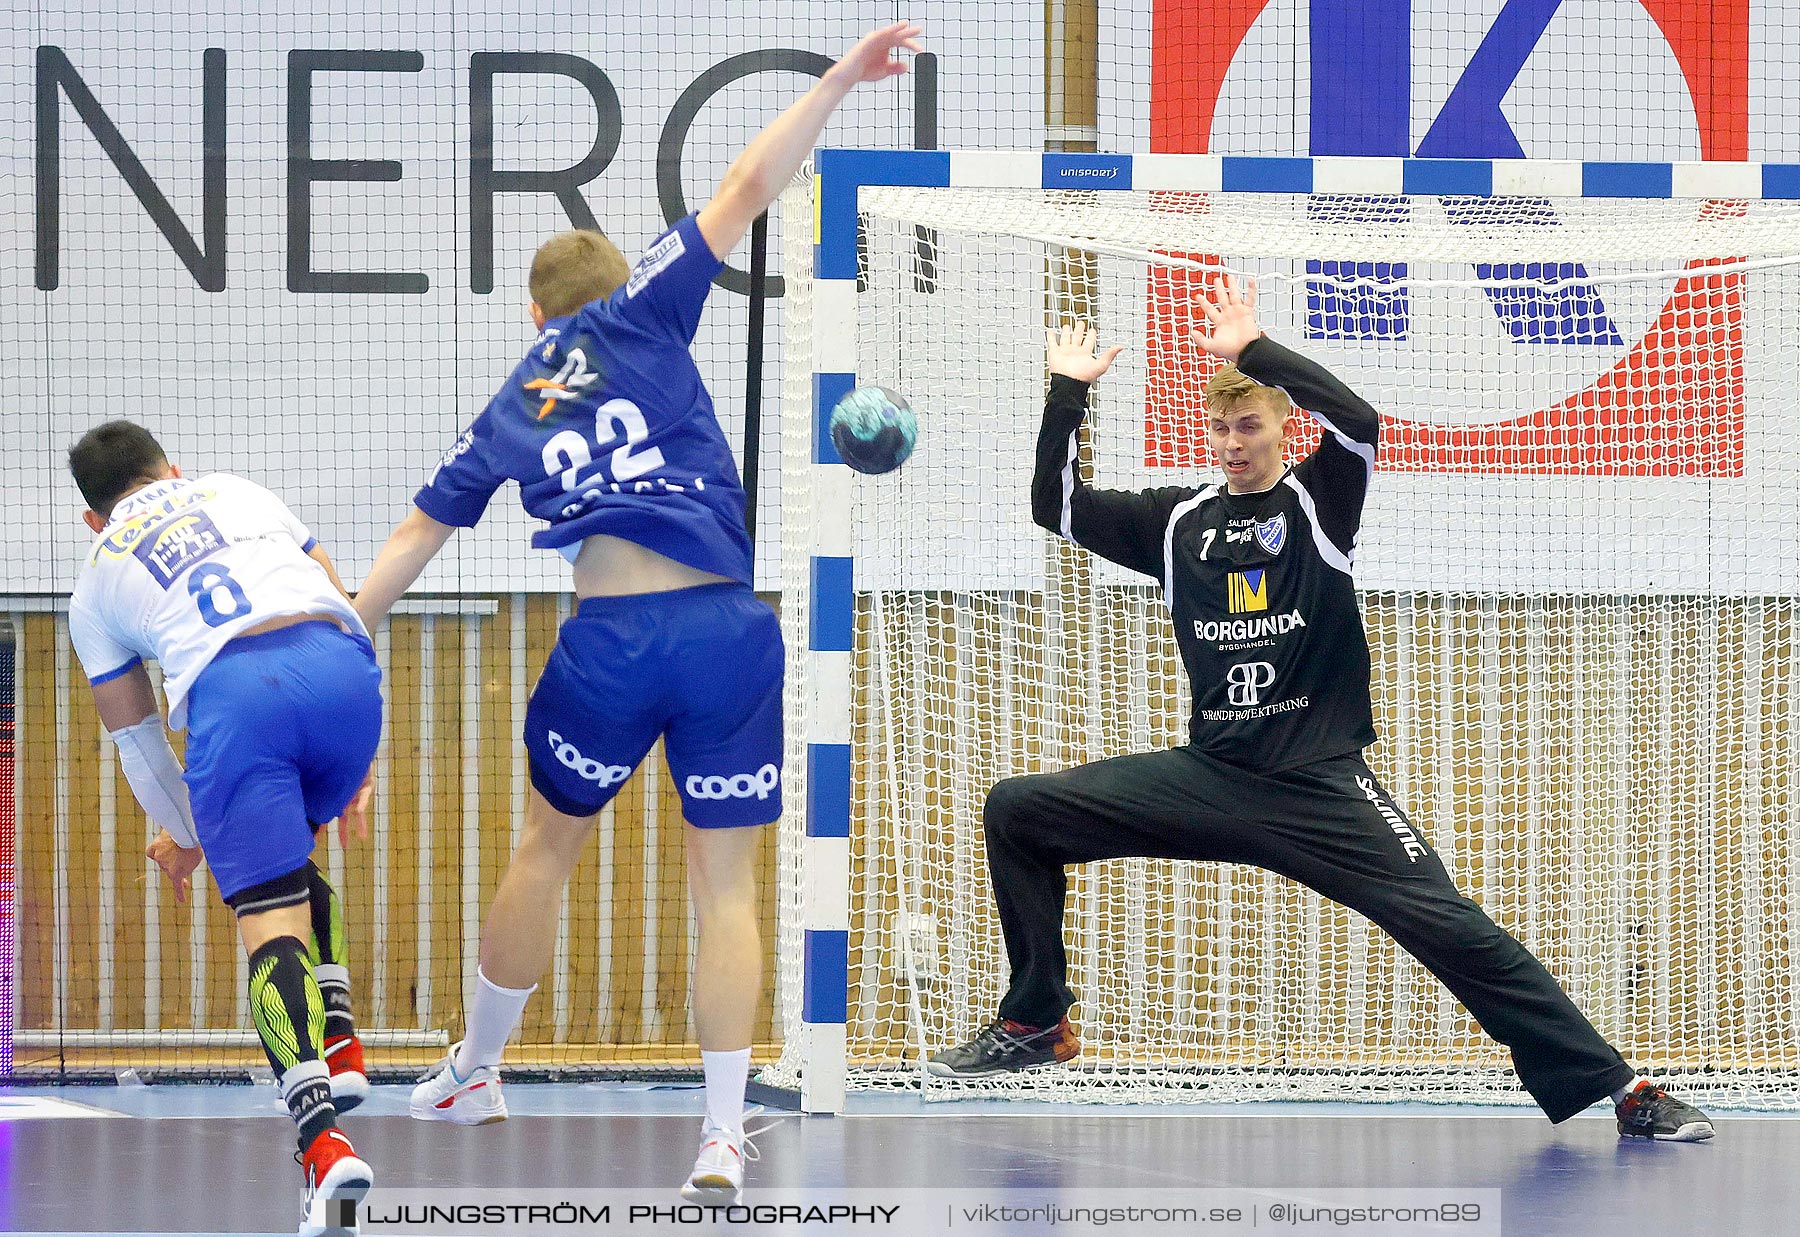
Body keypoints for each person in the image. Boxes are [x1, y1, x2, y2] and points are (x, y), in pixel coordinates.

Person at [350, 20, 926, 1202]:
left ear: (534, 318)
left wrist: (341, 626)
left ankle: (478, 1068)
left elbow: (416, 534)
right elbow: (744, 183)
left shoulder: (513, 400)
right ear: (625, 287)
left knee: (543, 851)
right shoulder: (649, 312)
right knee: (727, 887)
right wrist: (837, 79)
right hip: (726, 632)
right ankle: (720, 1134)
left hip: (606, 644)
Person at [928, 280, 1715, 1143]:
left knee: (1452, 926)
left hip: (1319, 784)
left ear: (1280, 428)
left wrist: (1256, 349)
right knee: (1020, 809)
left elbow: (1360, 418)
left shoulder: (1319, 503)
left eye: (1251, 425)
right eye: (1221, 428)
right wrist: (1067, 393)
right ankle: (1037, 1016)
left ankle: (1625, 1089)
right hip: (1214, 775)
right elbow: (1058, 507)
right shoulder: (1178, 521)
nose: (1234, 444)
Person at [65, 420, 384, 1235]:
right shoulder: (236, 487)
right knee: (288, 853)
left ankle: (323, 1149)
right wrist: (362, 750)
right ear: (173, 468)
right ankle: (341, 1045)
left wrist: (185, 833)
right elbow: (337, 592)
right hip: (346, 671)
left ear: (94, 520)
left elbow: (138, 740)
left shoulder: (97, 579)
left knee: (264, 910)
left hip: (239, 695)